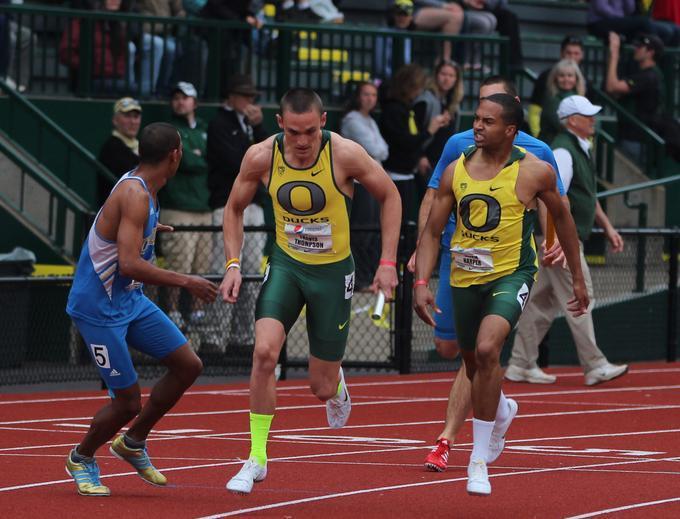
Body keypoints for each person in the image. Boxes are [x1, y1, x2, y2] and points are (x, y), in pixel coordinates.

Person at [221, 88, 402, 494]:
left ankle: (336, 384)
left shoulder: (345, 153)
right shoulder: (261, 156)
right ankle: (257, 457)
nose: (302, 142)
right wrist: (233, 264)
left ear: (323, 122)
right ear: (280, 125)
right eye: (294, 133)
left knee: (319, 386)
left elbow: (390, 195)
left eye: (309, 132)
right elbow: (233, 208)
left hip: (333, 272)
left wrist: (388, 262)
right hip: (286, 265)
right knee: (264, 353)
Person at [414, 93, 589, 496]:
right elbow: (432, 232)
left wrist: (577, 276)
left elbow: (562, 220)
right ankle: (503, 409)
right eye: (476, 119)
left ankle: (478, 460)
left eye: (487, 121)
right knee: (474, 361)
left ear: (510, 131)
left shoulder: (535, 171)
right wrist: (422, 283)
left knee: (489, 348)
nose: (477, 126)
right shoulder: (454, 171)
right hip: (464, 276)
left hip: (512, 273)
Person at [64, 122, 218, 497]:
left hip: (129, 302)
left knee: (188, 365)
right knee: (127, 401)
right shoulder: (135, 194)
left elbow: (121, 235)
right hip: (98, 309)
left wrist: (150, 228)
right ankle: (81, 457)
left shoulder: (147, 188)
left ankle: (132, 443)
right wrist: (187, 281)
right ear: (175, 156)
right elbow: (129, 264)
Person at [507, 95, 628, 387]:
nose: (593, 120)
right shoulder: (563, 151)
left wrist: (608, 228)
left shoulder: (577, 149)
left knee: (539, 303)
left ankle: (520, 364)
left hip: (558, 239)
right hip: (561, 241)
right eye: (586, 115)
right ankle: (595, 364)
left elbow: (587, 197)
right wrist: (553, 240)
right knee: (580, 296)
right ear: (571, 120)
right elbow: (550, 198)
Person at [207, 73, 269, 347]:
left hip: (253, 203)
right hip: (227, 203)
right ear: (231, 97)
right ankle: (215, 336)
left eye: (252, 97)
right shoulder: (220, 124)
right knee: (226, 268)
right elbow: (236, 163)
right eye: (244, 96)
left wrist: (258, 127)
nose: (249, 102)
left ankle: (243, 337)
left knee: (253, 272)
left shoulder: (249, 125)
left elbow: (269, 156)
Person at [160, 81, 212, 329]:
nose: (180, 101)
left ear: (195, 102)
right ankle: (173, 312)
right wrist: (197, 157)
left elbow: (210, 159)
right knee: (178, 264)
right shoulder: (170, 130)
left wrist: (199, 158)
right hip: (178, 208)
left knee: (201, 265)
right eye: (176, 97)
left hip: (204, 208)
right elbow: (188, 161)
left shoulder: (204, 129)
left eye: (185, 97)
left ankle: (198, 314)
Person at [341, 81, 389, 290]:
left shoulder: (369, 120)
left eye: (374, 95)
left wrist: (378, 149)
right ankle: (358, 279)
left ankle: (369, 277)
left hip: (373, 182)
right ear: (357, 96)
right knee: (360, 232)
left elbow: (383, 149)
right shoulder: (352, 120)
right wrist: (378, 149)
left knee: (372, 232)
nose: (370, 99)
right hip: (359, 184)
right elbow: (374, 149)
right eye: (366, 94)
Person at [605, 32, 664, 163]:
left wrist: (614, 54)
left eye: (640, 47)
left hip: (635, 138)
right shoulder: (646, 74)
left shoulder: (649, 76)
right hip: (632, 136)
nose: (635, 49)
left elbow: (611, 86)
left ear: (650, 52)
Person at [529, 35, 584, 138]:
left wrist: (587, 143)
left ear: (582, 55)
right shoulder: (546, 79)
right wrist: (537, 136)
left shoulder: (585, 83)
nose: (572, 57)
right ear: (561, 53)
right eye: (569, 53)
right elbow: (534, 110)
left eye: (576, 53)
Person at [98, 97, 142, 206]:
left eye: (136, 117)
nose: (132, 122)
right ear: (115, 120)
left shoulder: (141, 146)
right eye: (127, 116)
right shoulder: (111, 148)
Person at [538, 59, 587, 145]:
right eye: (562, 75)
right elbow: (563, 126)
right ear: (555, 78)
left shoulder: (579, 98)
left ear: (576, 78)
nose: (566, 79)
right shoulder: (552, 100)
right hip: (551, 147)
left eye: (570, 75)